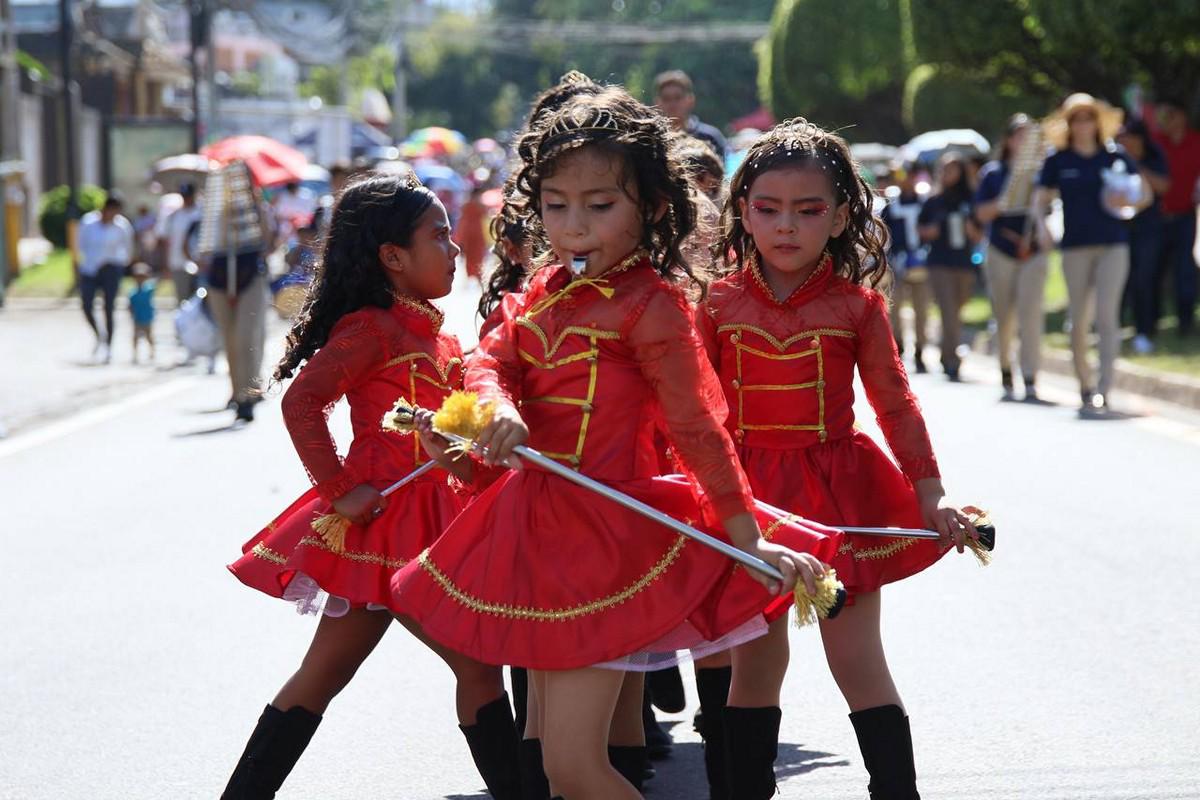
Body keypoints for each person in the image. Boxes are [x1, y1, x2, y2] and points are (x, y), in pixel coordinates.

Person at [389, 89, 842, 800]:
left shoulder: (651, 305)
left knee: (574, 766)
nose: (574, 226)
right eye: (556, 205)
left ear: (652, 208)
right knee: (550, 763)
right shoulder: (540, 290)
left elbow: (698, 431)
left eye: (599, 206)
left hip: (605, 544)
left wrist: (747, 537)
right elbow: (490, 360)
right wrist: (496, 408)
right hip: (532, 533)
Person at [698, 117, 982, 800]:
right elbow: (692, 414)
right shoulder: (715, 302)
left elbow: (896, 404)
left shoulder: (858, 306)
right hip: (749, 507)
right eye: (768, 209)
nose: (786, 226)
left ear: (840, 216)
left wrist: (932, 494)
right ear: (744, 212)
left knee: (857, 661)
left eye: (807, 210)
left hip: (838, 496)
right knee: (753, 668)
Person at [222, 174, 520, 800]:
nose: (455, 248)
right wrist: (339, 489)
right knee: (477, 665)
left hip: (433, 521)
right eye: (439, 236)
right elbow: (302, 404)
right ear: (393, 257)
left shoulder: (437, 334)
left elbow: (454, 432)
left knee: (324, 673)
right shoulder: (372, 329)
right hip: (384, 525)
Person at [1031, 93, 1138, 411]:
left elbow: (1140, 192)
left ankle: (1104, 387)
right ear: (1069, 124)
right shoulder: (1058, 160)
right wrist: (1042, 226)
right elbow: (1040, 200)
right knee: (1079, 320)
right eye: (1076, 119)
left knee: (1107, 315)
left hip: (1113, 244)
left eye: (1088, 118)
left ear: (1096, 122)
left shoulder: (1114, 156)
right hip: (1075, 247)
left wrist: (1129, 202)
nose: (1082, 125)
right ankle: (1085, 382)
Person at [974, 114, 1051, 401]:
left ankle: (1030, 375)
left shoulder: (1043, 172)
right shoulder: (993, 173)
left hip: (1033, 252)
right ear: (1008, 140)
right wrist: (1006, 199)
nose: (1025, 141)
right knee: (1004, 316)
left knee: (1030, 314)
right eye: (1019, 135)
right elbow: (981, 214)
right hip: (1001, 251)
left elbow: (1051, 209)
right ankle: (1006, 367)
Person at [919, 152, 981, 381]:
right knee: (948, 309)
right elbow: (920, 229)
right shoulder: (934, 201)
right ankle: (952, 360)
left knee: (957, 310)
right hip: (939, 263)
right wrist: (930, 232)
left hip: (963, 262)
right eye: (944, 169)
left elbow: (979, 234)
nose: (947, 174)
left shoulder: (970, 200)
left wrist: (970, 228)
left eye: (952, 169)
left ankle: (946, 351)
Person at [1115, 119, 1172, 354]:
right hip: (1119, 228)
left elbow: (1164, 186)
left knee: (1144, 279)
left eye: (1128, 136)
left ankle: (1144, 331)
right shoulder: (1114, 157)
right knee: (1119, 279)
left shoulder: (1154, 154)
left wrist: (1136, 165)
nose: (1124, 141)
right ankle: (1114, 329)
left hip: (1149, 228)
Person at [1152, 96, 1200, 339]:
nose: (1166, 120)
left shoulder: (1196, 142)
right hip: (1156, 218)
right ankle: (1152, 322)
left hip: (1186, 217)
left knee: (1185, 271)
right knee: (1153, 270)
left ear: (1182, 116)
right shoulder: (1156, 143)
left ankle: (1185, 323)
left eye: (1170, 115)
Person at [880, 162, 931, 374]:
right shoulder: (891, 207)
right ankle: (898, 347)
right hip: (898, 263)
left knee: (922, 309)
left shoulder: (925, 203)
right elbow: (884, 236)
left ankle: (920, 350)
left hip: (921, 262)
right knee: (895, 307)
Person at [77, 192, 134, 363]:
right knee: (86, 305)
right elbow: (81, 245)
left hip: (111, 269)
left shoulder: (122, 226)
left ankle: (109, 345)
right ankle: (99, 335)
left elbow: (128, 249)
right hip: (90, 269)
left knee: (109, 308)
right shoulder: (88, 222)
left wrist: (118, 264)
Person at [654, 70, 727, 160]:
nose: (672, 104)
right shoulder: (654, 140)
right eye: (666, 99)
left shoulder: (710, 138)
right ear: (657, 103)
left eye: (678, 97)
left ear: (690, 100)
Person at [159, 183, 203, 305]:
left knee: (200, 301)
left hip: (200, 263)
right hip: (178, 263)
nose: (187, 199)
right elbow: (166, 240)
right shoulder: (174, 215)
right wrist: (165, 263)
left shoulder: (202, 212)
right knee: (183, 301)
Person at [455, 185, 490, 284]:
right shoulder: (477, 205)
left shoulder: (467, 205)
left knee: (474, 255)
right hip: (474, 232)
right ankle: (475, 275)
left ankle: (474, 275)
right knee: (473, 255)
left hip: (472, 232)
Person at [128, 262, 156, 364]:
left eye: (142, 277)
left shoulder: (149, 290)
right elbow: (130, 305)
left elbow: (157, 282)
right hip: (137, 318)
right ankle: (135, 354)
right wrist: (131, 313)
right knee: (135, 337)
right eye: (138, 277)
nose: (140, 279)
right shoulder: (132, 293)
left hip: (147, 318)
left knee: (149, 336)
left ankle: (152, 352)